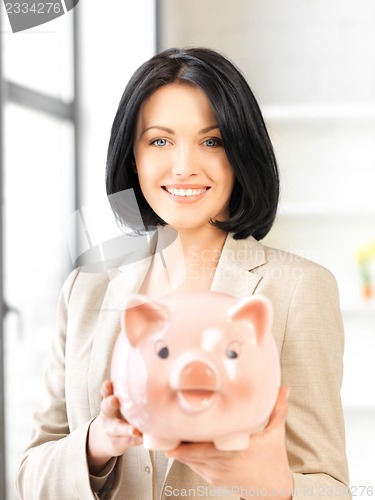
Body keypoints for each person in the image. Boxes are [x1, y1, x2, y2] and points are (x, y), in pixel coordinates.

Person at [16, 47, 350, 499]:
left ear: (241, 152)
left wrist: (275, 485)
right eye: (159, 140)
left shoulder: (297, 290)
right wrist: (100, 441)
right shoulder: (86, 291)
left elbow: (331, 486)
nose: (185, 165)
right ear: (133, 156)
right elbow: (30, 475)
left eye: (212, 141)